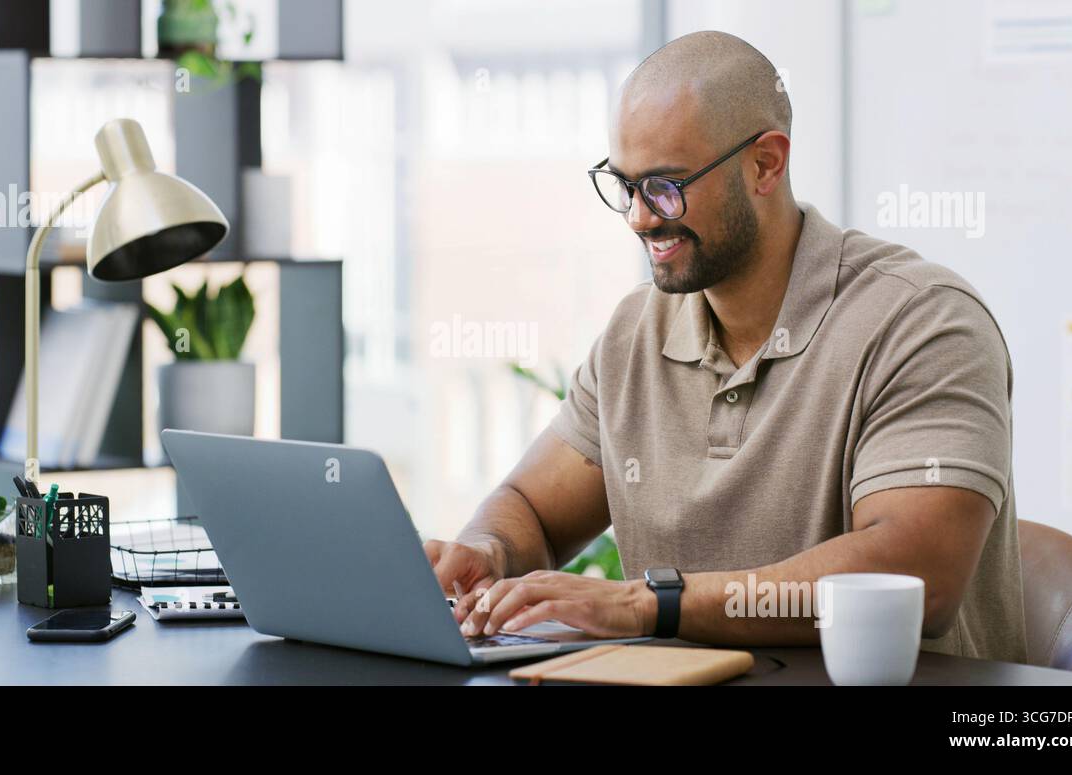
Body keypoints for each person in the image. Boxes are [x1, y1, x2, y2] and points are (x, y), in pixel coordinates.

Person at [424, 30, 1026, 663]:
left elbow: (915, 577)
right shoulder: (636, 333)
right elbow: (531, 510)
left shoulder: (923, 322)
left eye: (664, 185)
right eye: (624, 186)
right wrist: (487, 550)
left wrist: (650, 606)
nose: (640, 218)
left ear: (765, 164)